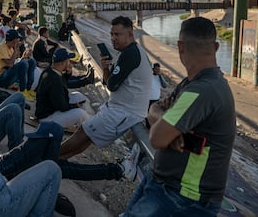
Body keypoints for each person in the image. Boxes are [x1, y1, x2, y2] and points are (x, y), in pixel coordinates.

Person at [123, 17, 236, 216]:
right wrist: (170, 128)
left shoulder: (200, 91)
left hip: (182, 198)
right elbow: (155, 109)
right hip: (165, 186)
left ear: (180, 46)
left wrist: (164, 127)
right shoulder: (195, 83)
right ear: (216, 47)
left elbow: (156, 138)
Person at [59, 16, 152, 159]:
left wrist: (107, 70)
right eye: (112, 34)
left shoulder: (130, 53)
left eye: (117, 34)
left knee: (83, 132)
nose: (113, 38)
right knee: (85, 140)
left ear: (130, 35)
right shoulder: (132, 51)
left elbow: (112, 85)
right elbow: (110, 82)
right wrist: (105, 67)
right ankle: (57, 160)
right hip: (124, 110)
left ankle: (49, 157)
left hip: (123, 112)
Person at [35, 48, 89, 131]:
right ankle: (82, 131)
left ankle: (78, 125)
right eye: (68, 61)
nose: (69, 63)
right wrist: (75, 106)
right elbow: (62, 106)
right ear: (63, 63)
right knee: (81, 114)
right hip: (47, 117)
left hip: (49, 108)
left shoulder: (50, 70)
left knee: (79, 96)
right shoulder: (54, 80)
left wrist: (68, 74)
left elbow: (61, 82)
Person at [0, 30, 36, 101]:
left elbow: (16, 62)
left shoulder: (10, 48)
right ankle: (22, 90)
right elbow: (10, 64)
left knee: (31, 61)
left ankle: (28, 89)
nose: (19, 41)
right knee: (24, 63)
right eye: (17, 39)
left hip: (7, 73)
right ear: (14, 40)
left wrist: (24, 56)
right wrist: (16, 48)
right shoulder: (1, 47)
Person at [145, 62, 168, 128]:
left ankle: (152, 126)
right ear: (153, 69)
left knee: (154, 113)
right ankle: (148, 126)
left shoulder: (160, 77)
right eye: (156, 69)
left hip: (156, 99)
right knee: (148, 113)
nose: (157, 70)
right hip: (149, 98)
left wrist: (160, 77)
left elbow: (165, 86)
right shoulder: (149, 76)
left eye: (158, 69)